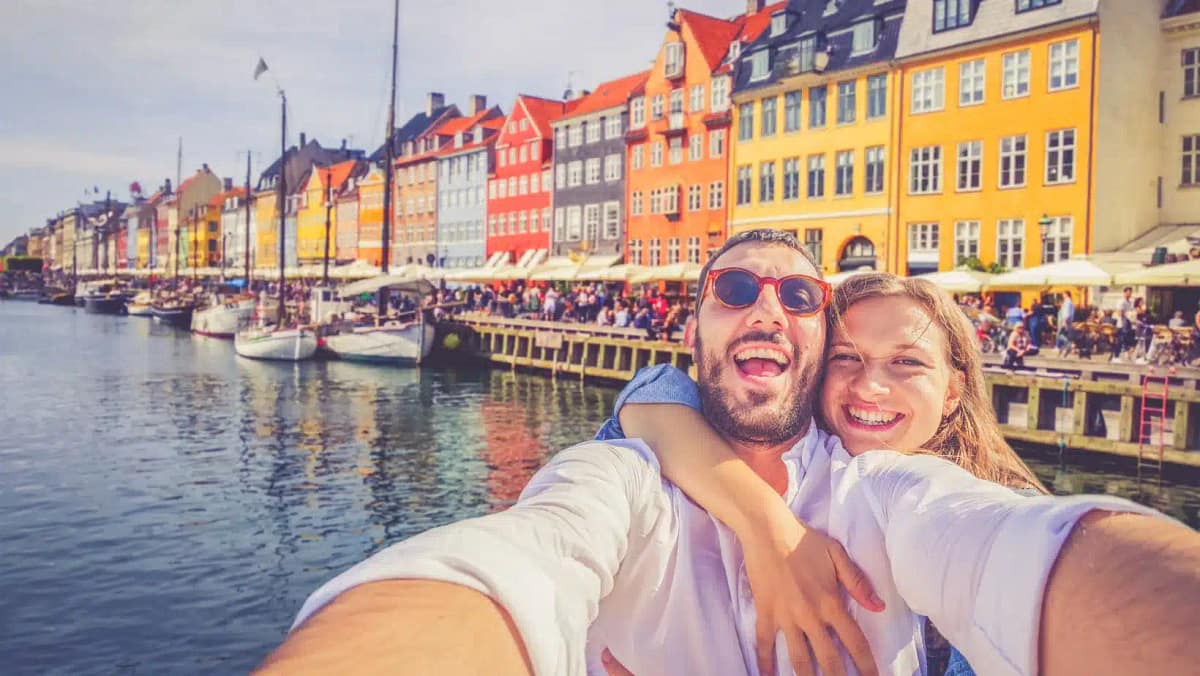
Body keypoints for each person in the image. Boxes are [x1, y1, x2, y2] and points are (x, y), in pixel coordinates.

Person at [260, 230, 1200, 676]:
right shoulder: (628, 472)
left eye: (798, 298)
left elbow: (1001, 543)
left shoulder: (887, 485)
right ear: (694, 327)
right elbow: (518, 562)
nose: (766, 308)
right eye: (736, 287)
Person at [597, 271, 1045, 675]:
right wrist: (767, 525)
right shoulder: (795, 471)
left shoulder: (990, 511)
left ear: (953, 391)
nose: (870, 386)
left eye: (907, 362)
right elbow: (659, 386)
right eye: (846, 357)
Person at [1111, 287, 1134, 362]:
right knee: (1120, 340)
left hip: (1128, 323)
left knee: (1126, 339)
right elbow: (1119, 312)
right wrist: (1126, 315)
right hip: (1121, 323)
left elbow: (1131, 312)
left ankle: (1121, 355)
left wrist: (1131, 316)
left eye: (1130, 292)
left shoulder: (1130, 302)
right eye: (1128, 292)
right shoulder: (1121, 301)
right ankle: (1115, 356)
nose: (1129, 294)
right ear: (1124, 293)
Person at [1055, 291, 1075, 358]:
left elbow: (1067, 312)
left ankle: (1061, 347)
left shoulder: (1067, 302)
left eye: (1063, 294)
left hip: (1065, 321)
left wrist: (1064, 321)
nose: (1063, 295)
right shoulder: (1069, 302)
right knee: (1065, 334)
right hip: (1067, 320)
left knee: (1061, 334)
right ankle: (1066, 347)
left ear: (1066, 295)